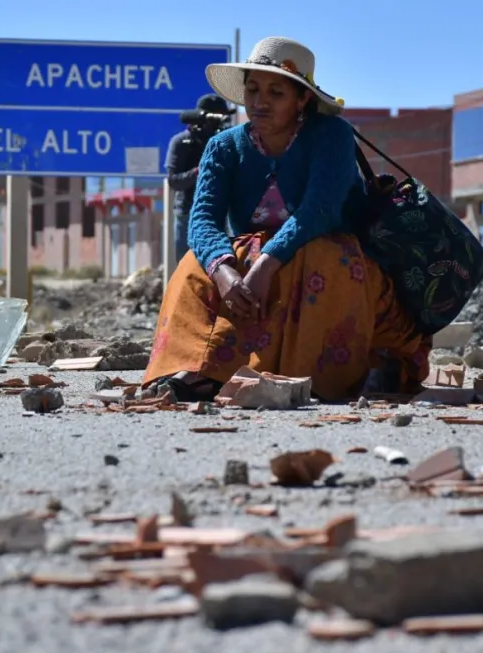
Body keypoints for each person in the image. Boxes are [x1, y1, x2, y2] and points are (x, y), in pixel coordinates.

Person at [142, 37, 431, 402]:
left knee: (319, 258)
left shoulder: (331, 136)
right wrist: (225, 273)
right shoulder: (223, 147)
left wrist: (266, 265)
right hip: (256, 256)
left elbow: (319, 210)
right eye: (252, 90)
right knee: (195, 267)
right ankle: (200, 369)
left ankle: (316, 376)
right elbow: (202, 221)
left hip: (327, 248)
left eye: (276, 93)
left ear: (302, 99)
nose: (260, 102)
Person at [165, 94, 231, 259]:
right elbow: (174, 181)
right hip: (187, 214)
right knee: (187, 265)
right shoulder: (182, 142)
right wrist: (200, 171)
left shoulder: (225, 141)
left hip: (219, 214)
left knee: (219, 263)